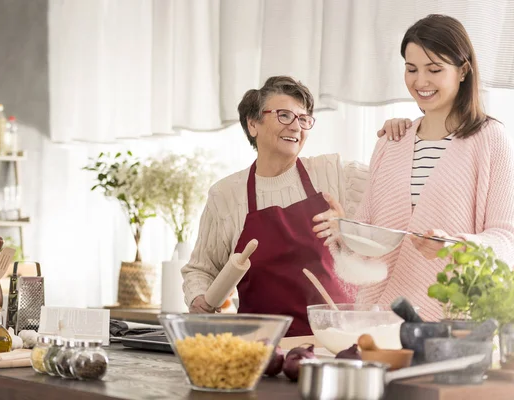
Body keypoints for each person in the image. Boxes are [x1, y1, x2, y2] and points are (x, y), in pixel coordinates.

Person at [313, 14, 514, 321]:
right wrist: (345, 228)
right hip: (380, 319)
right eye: (411, 69)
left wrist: (456, 247)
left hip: (452, 322)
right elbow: (369, 244)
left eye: (434, 69)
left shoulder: (490, 139)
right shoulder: (391, 141)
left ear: (463, 71)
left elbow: (506, 239)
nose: (421, 81)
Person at [181, 76, 409, 336]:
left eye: (303, 119)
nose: (296, 127)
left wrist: (401, 137)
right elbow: (202, 269)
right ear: (253, 124)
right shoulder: (226, 194)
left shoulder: (336, 173)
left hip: (332, 341)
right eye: (284, 115)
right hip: (260, 347)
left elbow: (398, 195)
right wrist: (199, 297)